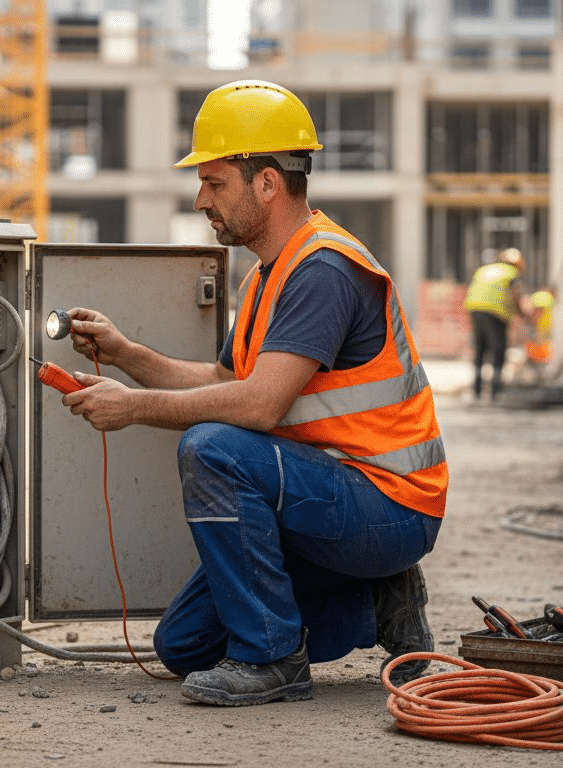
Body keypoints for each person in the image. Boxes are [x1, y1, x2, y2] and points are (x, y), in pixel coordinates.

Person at [56, 80, 448, 706]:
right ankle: (376, 601)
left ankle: (273, 659)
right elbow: (224, 383)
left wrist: (133, 409)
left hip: (388, 505)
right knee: (182, 646)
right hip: (328, 495)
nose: (200, 199)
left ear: (266, 182)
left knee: (211, 447)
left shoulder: (324, 269)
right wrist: (127, 356)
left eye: (214, 184)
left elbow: (257, 405)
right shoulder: (272, 271)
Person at [463, 247, 530, 400]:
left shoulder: (484, 270)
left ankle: (477, 389)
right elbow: (517, 297)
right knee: (498, 350)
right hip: (495, 313)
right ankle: (495, 390)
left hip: (475, 310)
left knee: (480, 349)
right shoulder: (511, 273)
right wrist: (524, 315)